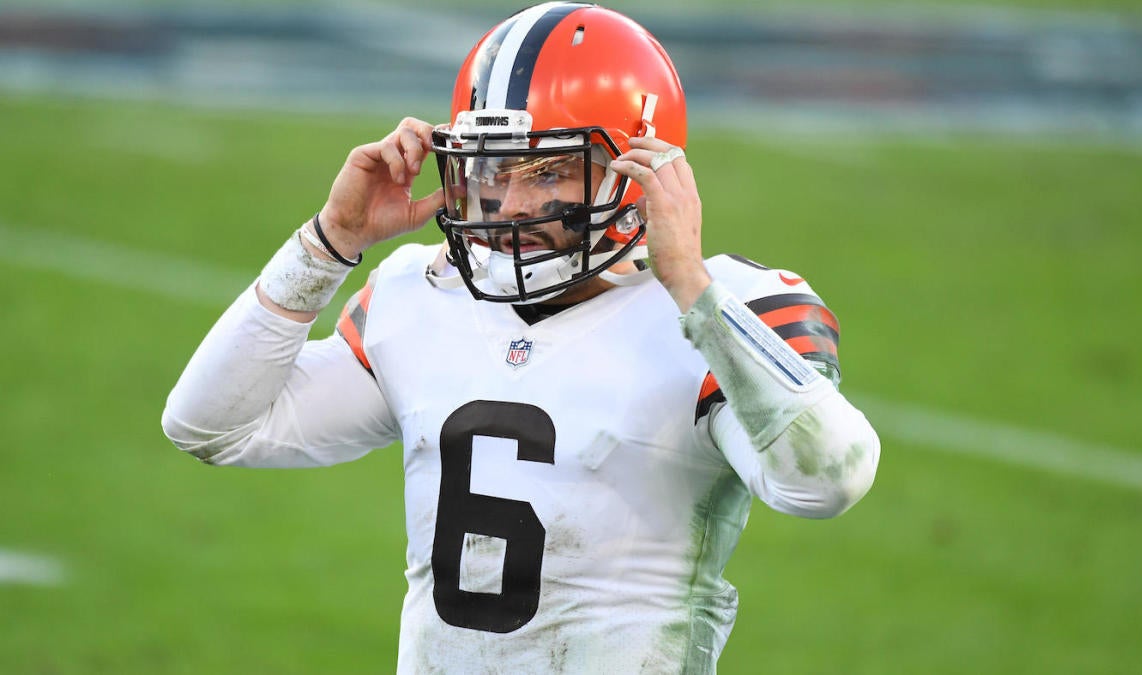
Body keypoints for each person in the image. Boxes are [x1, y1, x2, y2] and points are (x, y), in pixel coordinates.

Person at [162, 2, 880, 672]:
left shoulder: (731, 308)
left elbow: (826, 479)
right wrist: (328, 243)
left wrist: (691, 286)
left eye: (550, 170)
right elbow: (210, 425)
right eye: (496, 168)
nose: (513, 202)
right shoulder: (424, 294)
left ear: (643, 168)